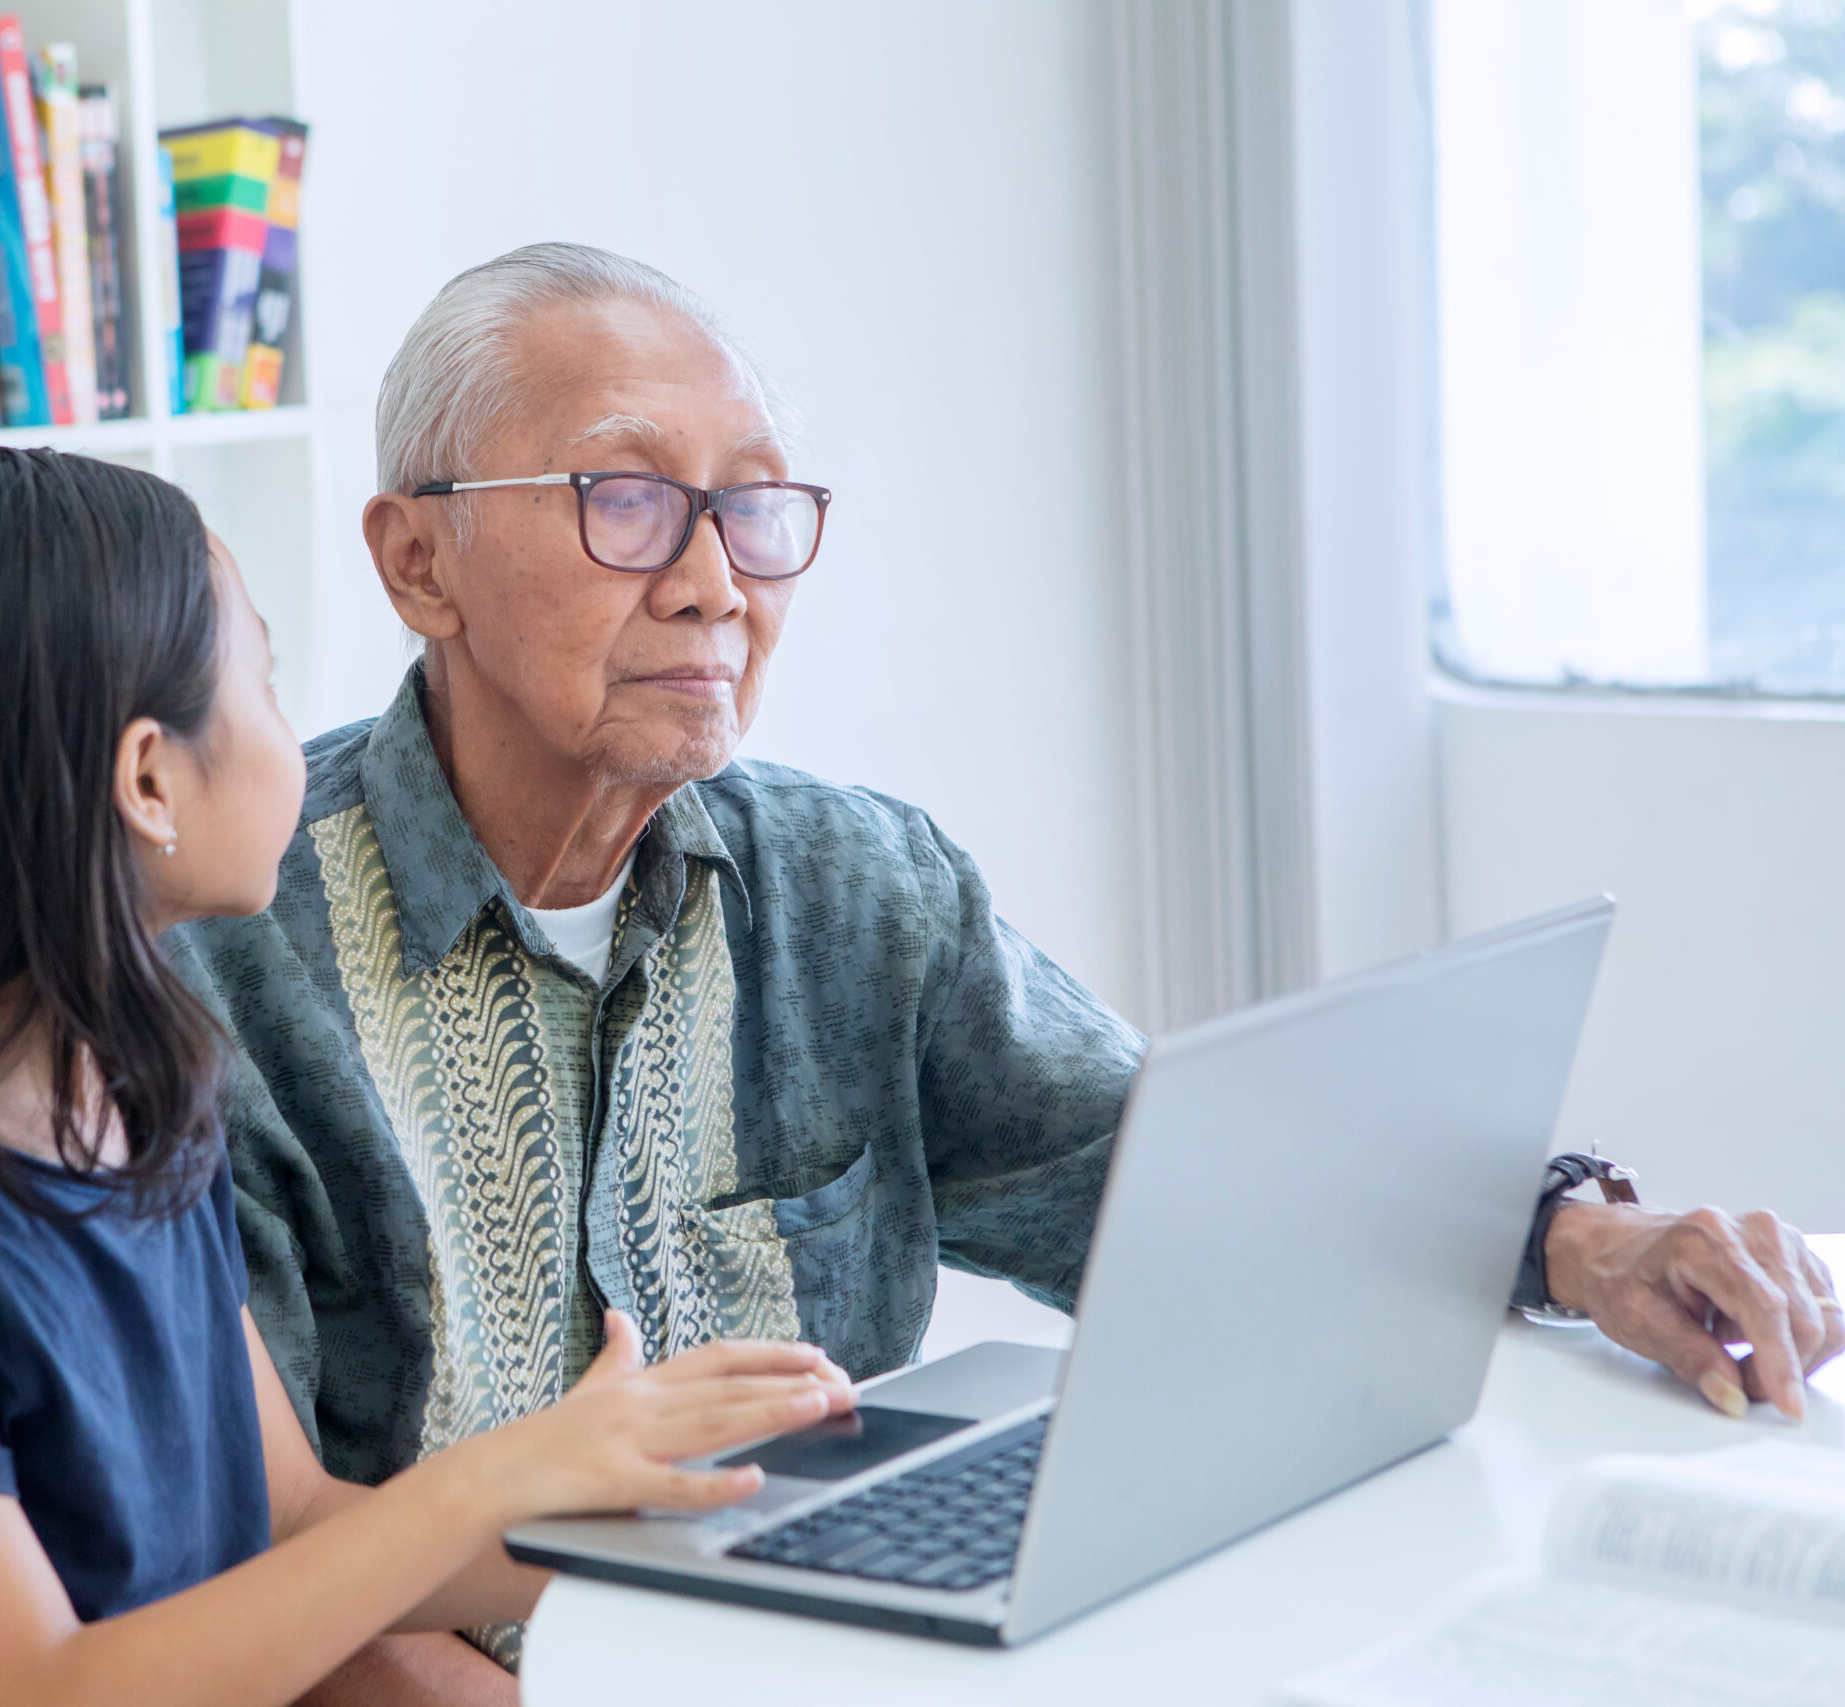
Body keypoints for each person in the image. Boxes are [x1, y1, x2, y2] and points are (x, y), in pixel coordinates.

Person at [165, 243, 1845, 1704]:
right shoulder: (212, 965)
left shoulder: (857, 886)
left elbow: (1187, 1187)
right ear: (417, 562)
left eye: (753, 505)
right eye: (624, 501)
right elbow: (249, 1580)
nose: (714, 581)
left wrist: (1588, 1236)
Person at [0, 448, 857, 1707]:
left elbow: (296, 1526)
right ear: (150, 780)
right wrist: (491, 1482)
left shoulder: (140, 1102)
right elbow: (36, 1690)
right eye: (263, 684)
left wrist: (689, 1534)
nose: (292, 734)